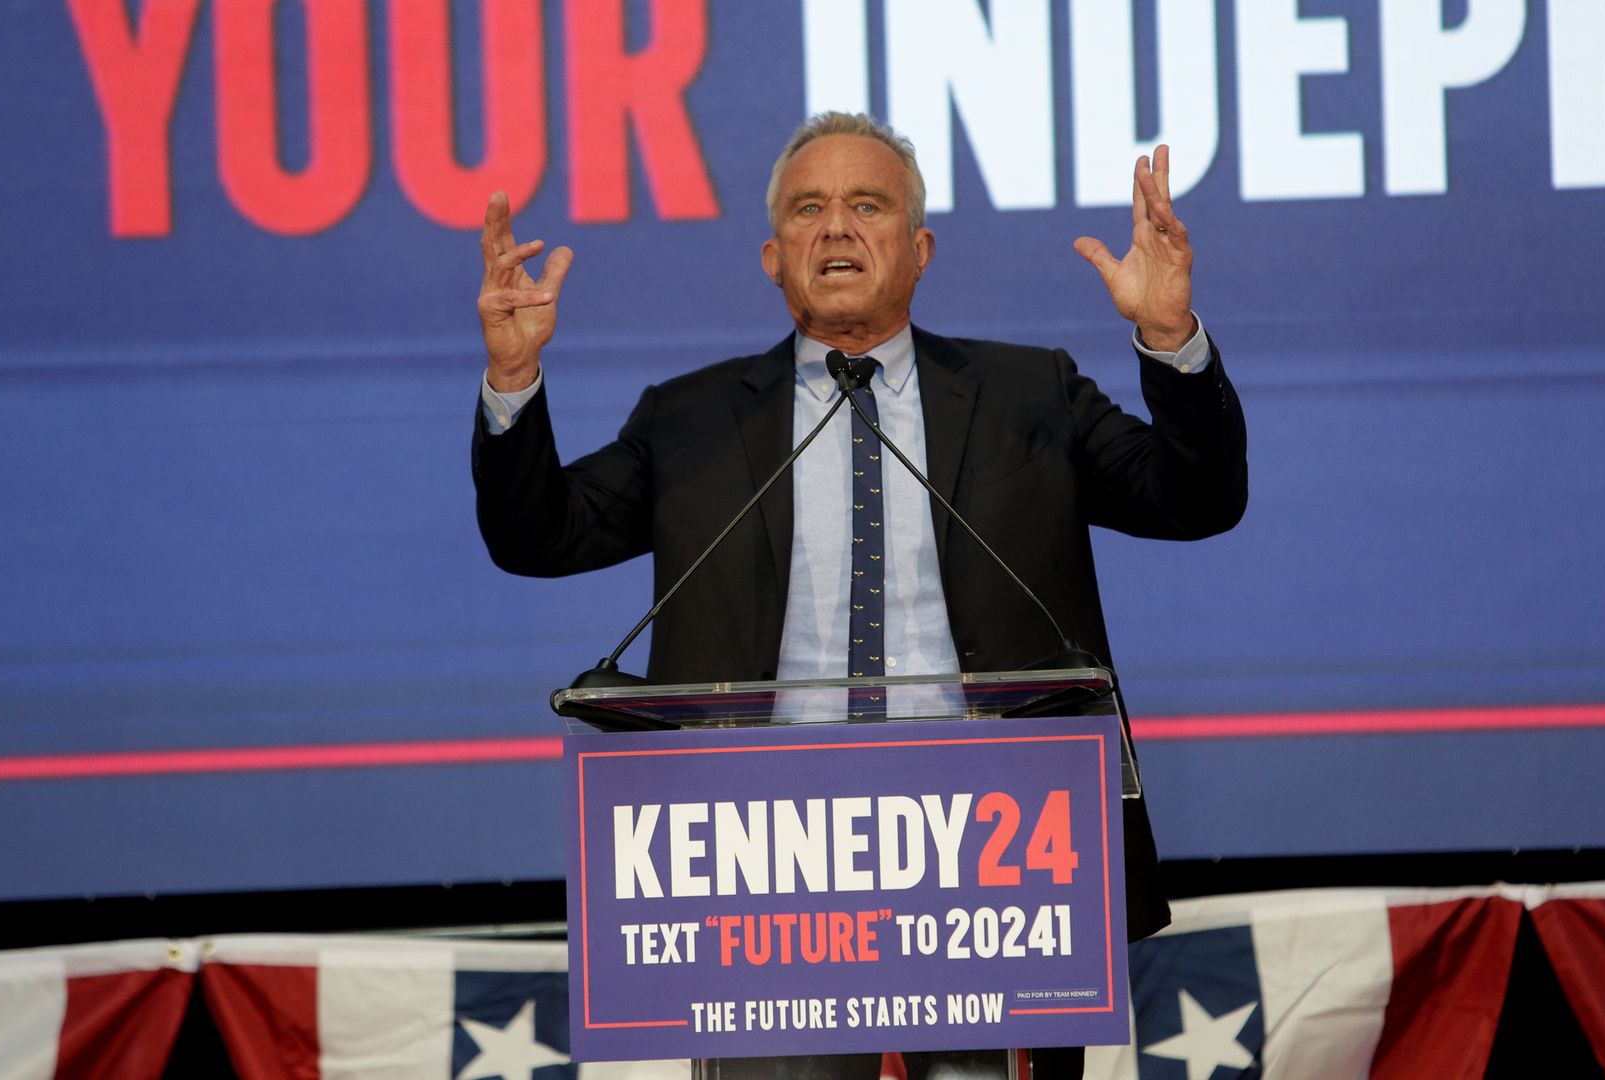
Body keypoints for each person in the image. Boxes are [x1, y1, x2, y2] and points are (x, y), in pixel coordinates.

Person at [472, 113, 1247, 1079]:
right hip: (766, 865)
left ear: (918, 250)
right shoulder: (690, 419)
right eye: (810, 209)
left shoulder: (1027, 394)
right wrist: (515, 375)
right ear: (772, 257)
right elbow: (537, 536)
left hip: (996, 853)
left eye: (866, 206)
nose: (837, 228)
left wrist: (1167, 335)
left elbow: (1197, 499)